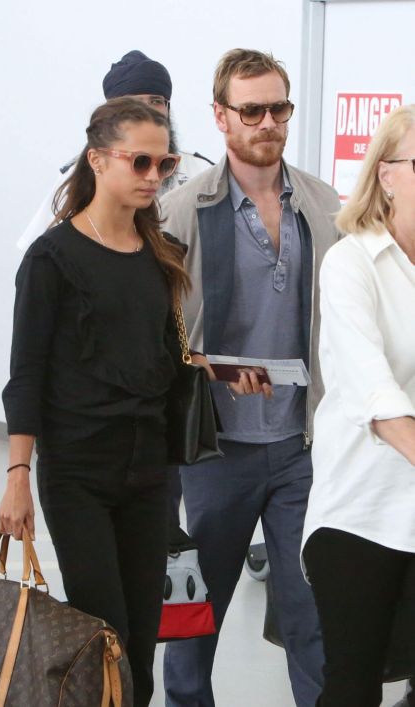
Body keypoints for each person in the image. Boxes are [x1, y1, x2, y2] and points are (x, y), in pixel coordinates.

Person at [159, 49, 341, 707]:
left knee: (312, 612)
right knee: (193, 616)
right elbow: (153, 336)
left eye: (279, 108)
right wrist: (210, 367)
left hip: (302, 446)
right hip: (213, 451)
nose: (268, 122)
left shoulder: (322, 205)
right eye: (252, 110)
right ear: (221, 116)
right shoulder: (182, 213)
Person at [0, 97, 192, 707]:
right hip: (78, 471)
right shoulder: (53, 258)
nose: (153, 177)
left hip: (148, 472)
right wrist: (17, 475)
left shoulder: (158, 253)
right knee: (101, 629)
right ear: (97, 160)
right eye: (139, 162)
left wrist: (208, 369)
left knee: (141, 638)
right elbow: (25, 372)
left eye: (165, 164)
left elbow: (161, 355)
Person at [301, 104, 415, 706]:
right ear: (387, 174)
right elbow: (374, 390)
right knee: (353, 686)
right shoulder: (351, 264)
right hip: (361, 512)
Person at [17, 50, 213, 252]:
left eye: (156, 101)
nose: (149, 111)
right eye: (134, 103)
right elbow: (38, 251)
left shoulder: (202, 172)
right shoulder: (78, 175)